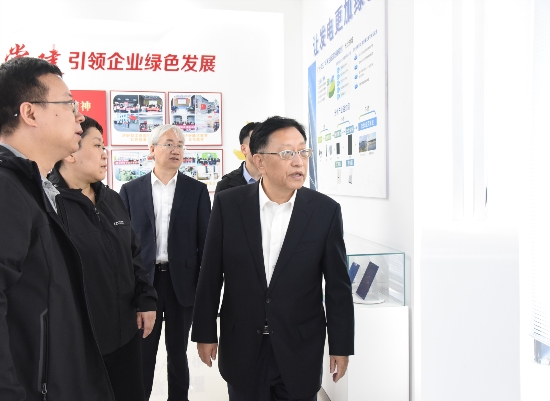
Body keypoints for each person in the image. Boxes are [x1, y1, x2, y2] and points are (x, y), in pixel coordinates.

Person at [192, 116, 355, 401]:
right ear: (260, 161)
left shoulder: (324, 211)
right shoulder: (229, 205)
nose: (298, 162)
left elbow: (338, 285)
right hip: (242, 344)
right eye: (287, 153)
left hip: (299, 347)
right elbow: (211, 273)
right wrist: (205, 332)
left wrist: (341, 346)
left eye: (303, 151)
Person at [0, 57, 115, 400]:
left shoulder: (35, 189)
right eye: (68, 104)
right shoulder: (6, 188)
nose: (79, 116)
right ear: (30, 113)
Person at [48, 116, 158, 401]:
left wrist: (146, 298)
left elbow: (133, 254)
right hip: (81, 343)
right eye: (97, 145)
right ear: (71, 152)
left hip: (125, 334)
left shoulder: (111, 199)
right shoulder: (50, 205)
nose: (104, 153)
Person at [120, 124, 211, 401]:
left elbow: (205, 241)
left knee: (178, 352)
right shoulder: (130, 190)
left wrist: (203, 288)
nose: (176, 150)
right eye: (169, 144)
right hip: (144, 282)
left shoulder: (196, 190)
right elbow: (123, 243)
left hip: (181, 282)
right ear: (152, 149)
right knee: (143, 351)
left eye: (181, 145)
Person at [215, 121, 261, 194]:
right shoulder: (226, 185)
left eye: (266, 143)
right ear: (244, 149)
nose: (263, 148)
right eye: (257, 143)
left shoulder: (277, 180)